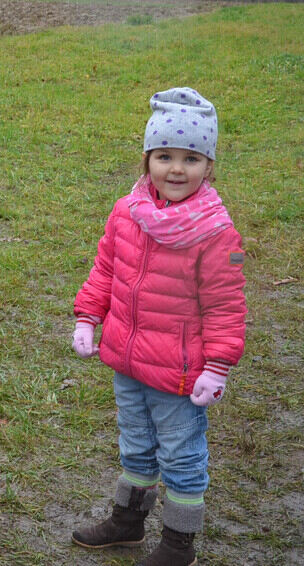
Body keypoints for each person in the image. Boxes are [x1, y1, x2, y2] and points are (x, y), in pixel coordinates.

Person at [70, 88, 247, 566]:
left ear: (209, 167)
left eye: (191, 158)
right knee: (136, 444)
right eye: (164, 155)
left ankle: (178, 543)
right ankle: (127, 523)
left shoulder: (214, 232)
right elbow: (106, 269)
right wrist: (90, 315)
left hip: (180, 374)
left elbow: (227, 306)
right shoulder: (127, 213)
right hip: (127, 362)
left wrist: (218, 365)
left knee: (182, 456)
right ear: (146, 159)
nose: (175, 168)